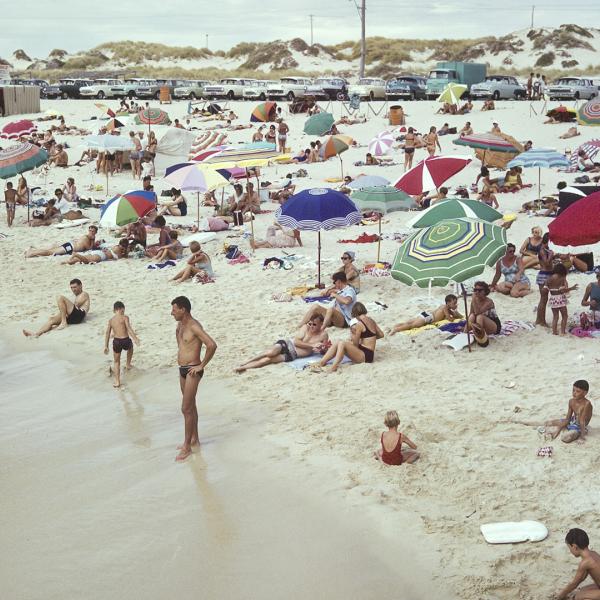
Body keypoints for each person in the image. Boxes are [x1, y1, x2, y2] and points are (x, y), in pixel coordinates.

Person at [171, 295, 217, 462]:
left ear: (183, 309)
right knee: (190, 406)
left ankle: (186, 447)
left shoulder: (194, 326)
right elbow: (182, 345)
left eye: (174, 310)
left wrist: (201, 365)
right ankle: (194, 439)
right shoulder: (180, 325)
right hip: (182, 369)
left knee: (185, 408)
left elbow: (211, 345)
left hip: (193, 371)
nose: (172, 313)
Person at [234, 314, 329, 373]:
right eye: (310, 323)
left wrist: (322, 349)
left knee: (268, 360)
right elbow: (296, 341)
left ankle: (244, 367)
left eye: (314, 324)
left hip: (293, 354)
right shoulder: (305, 327)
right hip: (288, 344)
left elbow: (324, 352)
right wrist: (312, 345)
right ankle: (247, 361)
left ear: (321, 324)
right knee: (271, 353)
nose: (311, 326)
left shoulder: (323, 335)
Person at [311, 302, 384, 372]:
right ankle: (322, 362)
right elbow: (381, 335)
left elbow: (355, 344)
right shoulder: (371, 321)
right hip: (369, 353)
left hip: (365, 356)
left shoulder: (359, 324)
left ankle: (334, 367)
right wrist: (370, 338)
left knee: (342, 344)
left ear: (355, 314)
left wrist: (354, 336)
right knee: (338, 343)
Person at [23, 279, 90, 337]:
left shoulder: (84, 294)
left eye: (75, 287)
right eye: (71, 288)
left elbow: (76, 305)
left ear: (80, 285)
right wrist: (58, 316)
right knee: (51, 320)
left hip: (79, 315)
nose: (73, 289)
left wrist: (62, 316)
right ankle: (36, 334)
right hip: (73, 317)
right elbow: (69, 309)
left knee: (60, 297)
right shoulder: (74, 296)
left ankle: (64, 322)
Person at [555, 528, 600, 599]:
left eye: (569, 548)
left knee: (579, 597)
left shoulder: (585, 563)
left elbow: (574, 583)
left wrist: (561, 595)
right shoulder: (593, 553)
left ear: (574, 547)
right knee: (582, 590)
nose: (570, 551)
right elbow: (581, 579)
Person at [104, 301, 140, 388]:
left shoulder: (111, 320)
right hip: (125, 340)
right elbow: (128, 328)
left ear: (114, 310)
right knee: (130, 348)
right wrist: (135, 339)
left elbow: (107, 333)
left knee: (116, 362)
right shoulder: (125, 318)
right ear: (121, 309)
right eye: (123, 310)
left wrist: (106, 346)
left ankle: (117, 381)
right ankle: (128, 364)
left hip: (116, 341)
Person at [544, 380, 592, 444]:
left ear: (585, 393)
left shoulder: (587, 404)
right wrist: (557, 430)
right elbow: (567, 419)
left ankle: (581, 432)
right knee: (548, 423)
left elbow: (582, 421)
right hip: (572, 420)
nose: (574, 393)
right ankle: (527, 423)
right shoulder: (571, 401)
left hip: (580, 426)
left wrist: (582, 437)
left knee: (565, 438)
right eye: (573, 390)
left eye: (578, 391)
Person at [390, 294, 462, 334]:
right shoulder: (445, 308)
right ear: (448, 303)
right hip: (429, 317)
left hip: (427, 314)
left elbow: (458, 316)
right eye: (454, 303)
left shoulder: (447, 308)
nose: (455, 304)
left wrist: (455, 311)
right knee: (412, 325)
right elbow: (450, 319)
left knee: (409, 322)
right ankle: (395, 330)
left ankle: (394, 327)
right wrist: (455, 312)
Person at [545, 263, 578, 335]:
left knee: (555, 316)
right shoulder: (561, 278)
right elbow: (563, 290)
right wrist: (572, 288)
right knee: (564, 316)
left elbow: (545, 289)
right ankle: (562, 331)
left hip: (553, 299)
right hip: (560, 299)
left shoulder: (549, 279)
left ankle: (554, 332)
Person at [26, 225, 98, 257]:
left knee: (51, 250)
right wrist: (93, 239)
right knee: (50, 252)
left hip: (70, 246)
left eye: (92, 231)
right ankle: (31, 253)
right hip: (70, 247)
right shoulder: (86, 238)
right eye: (90, 231)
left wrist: (93, 240)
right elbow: (89, 248)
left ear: (95, 232)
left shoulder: (88, 237)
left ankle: (32, 251)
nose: (91, 232)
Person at [63, 238, 129, 264]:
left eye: (124, 246)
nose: (123, 247)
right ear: (120, 245)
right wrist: (126, 251)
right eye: (123, 246)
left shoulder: (116, 247)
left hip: (100, 253)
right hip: (101, 256)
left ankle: (67, 262)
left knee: (81, 259)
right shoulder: (118, 249)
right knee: (86, 261)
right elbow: (124, 257)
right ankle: (76, 254)